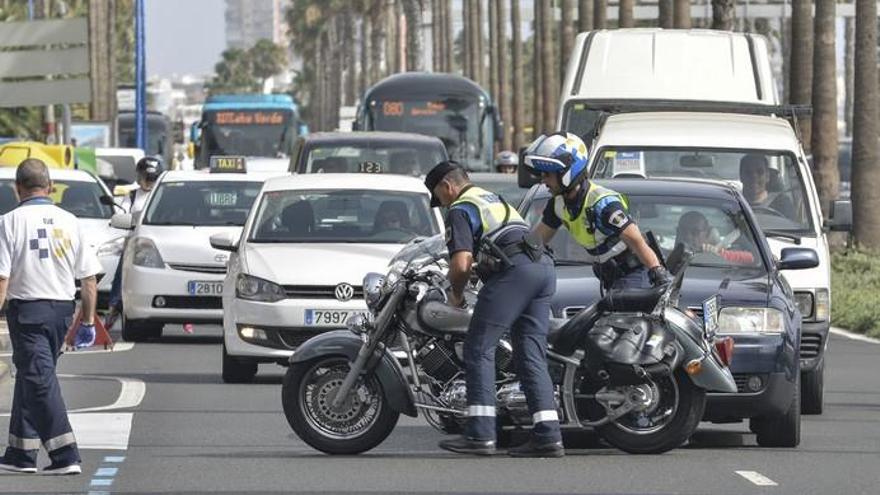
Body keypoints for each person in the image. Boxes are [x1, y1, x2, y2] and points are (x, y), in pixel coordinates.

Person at [426, 161, 564, 458]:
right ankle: (548, 436)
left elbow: (460, 263)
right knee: (529, 353)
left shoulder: (460, 209)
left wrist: (456, 294)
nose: (442, 204)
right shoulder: (491, 198)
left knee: (478, 347)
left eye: (439, 198)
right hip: (541, 269)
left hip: (515, 273)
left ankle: (480, 434)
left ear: (446, 187)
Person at [0, 159, 102, 475]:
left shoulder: (9, 221)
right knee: (33, 377)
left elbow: (2, 279)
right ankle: (21, 452)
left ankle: (65, 453)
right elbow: (89, 280)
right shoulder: (70, 221)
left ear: (17, 189)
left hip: (27, 311)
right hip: (61, 311)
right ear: (51, 188)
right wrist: (86, 322)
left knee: (38, 380)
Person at [524, 132, 671, 291]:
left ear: (567, 172)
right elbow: (536, 241)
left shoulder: (603, 204)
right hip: (610, 278)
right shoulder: (558, 205)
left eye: (547, 174)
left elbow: (637, 241)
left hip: (636, 275)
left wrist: (658, 273)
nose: (543, 180)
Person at [104, 156, 163, 329]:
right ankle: (113, 309)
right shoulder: (131, 196)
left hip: (161, 244)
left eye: (152, 178)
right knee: (120, 276)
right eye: (146, 177)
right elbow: (121, 214)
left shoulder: (164, 196)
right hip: (135, 244)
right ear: (139, 177)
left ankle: (185, 318)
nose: (149, 182)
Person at [675, 211, 755, 265]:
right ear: (678, 232)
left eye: (695, 232)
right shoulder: (669, 257)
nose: (688, 236)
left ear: (707, 232)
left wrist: (717, 254)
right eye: (684, 231)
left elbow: (753, 258)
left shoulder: (723, 252)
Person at [739, 154, 795, 219]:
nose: (754, 176)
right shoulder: (733, 204)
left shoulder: (783, 204)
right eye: (748, 172)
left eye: (760, 172)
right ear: (741, 176)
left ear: (767, 176)